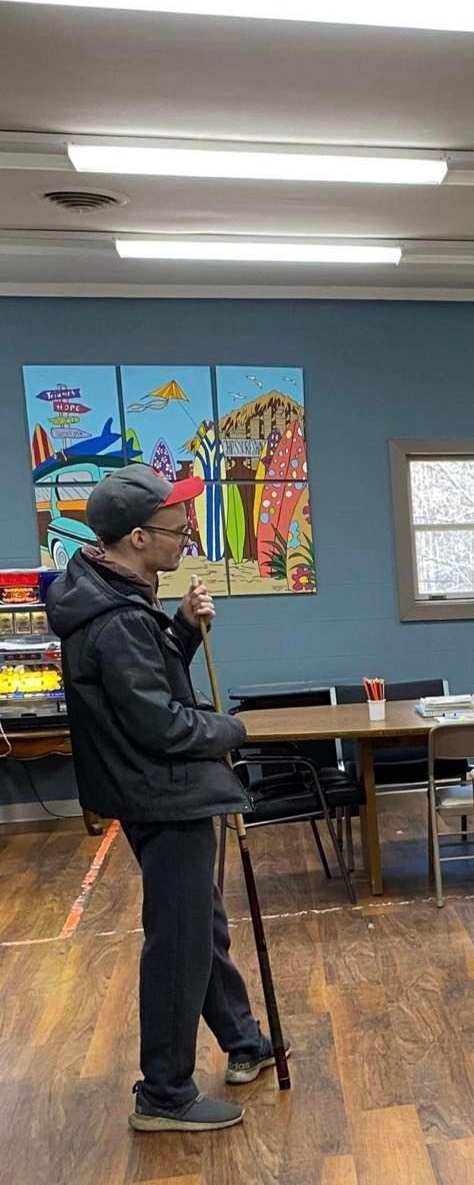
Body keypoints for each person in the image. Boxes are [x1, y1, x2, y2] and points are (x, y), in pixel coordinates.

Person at [46, 462, 281, 1131]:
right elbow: (162, 724)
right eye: (177, 528)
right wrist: (231, 727)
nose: (187, 537)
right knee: (177, 943)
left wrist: (178, 631)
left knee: (195, 928)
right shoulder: (116, 618)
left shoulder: (114, 599)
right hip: (163, 793)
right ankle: (164, 1094)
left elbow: (142, 689)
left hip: (152, 789)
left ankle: (243, 1042)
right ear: (136, 538)